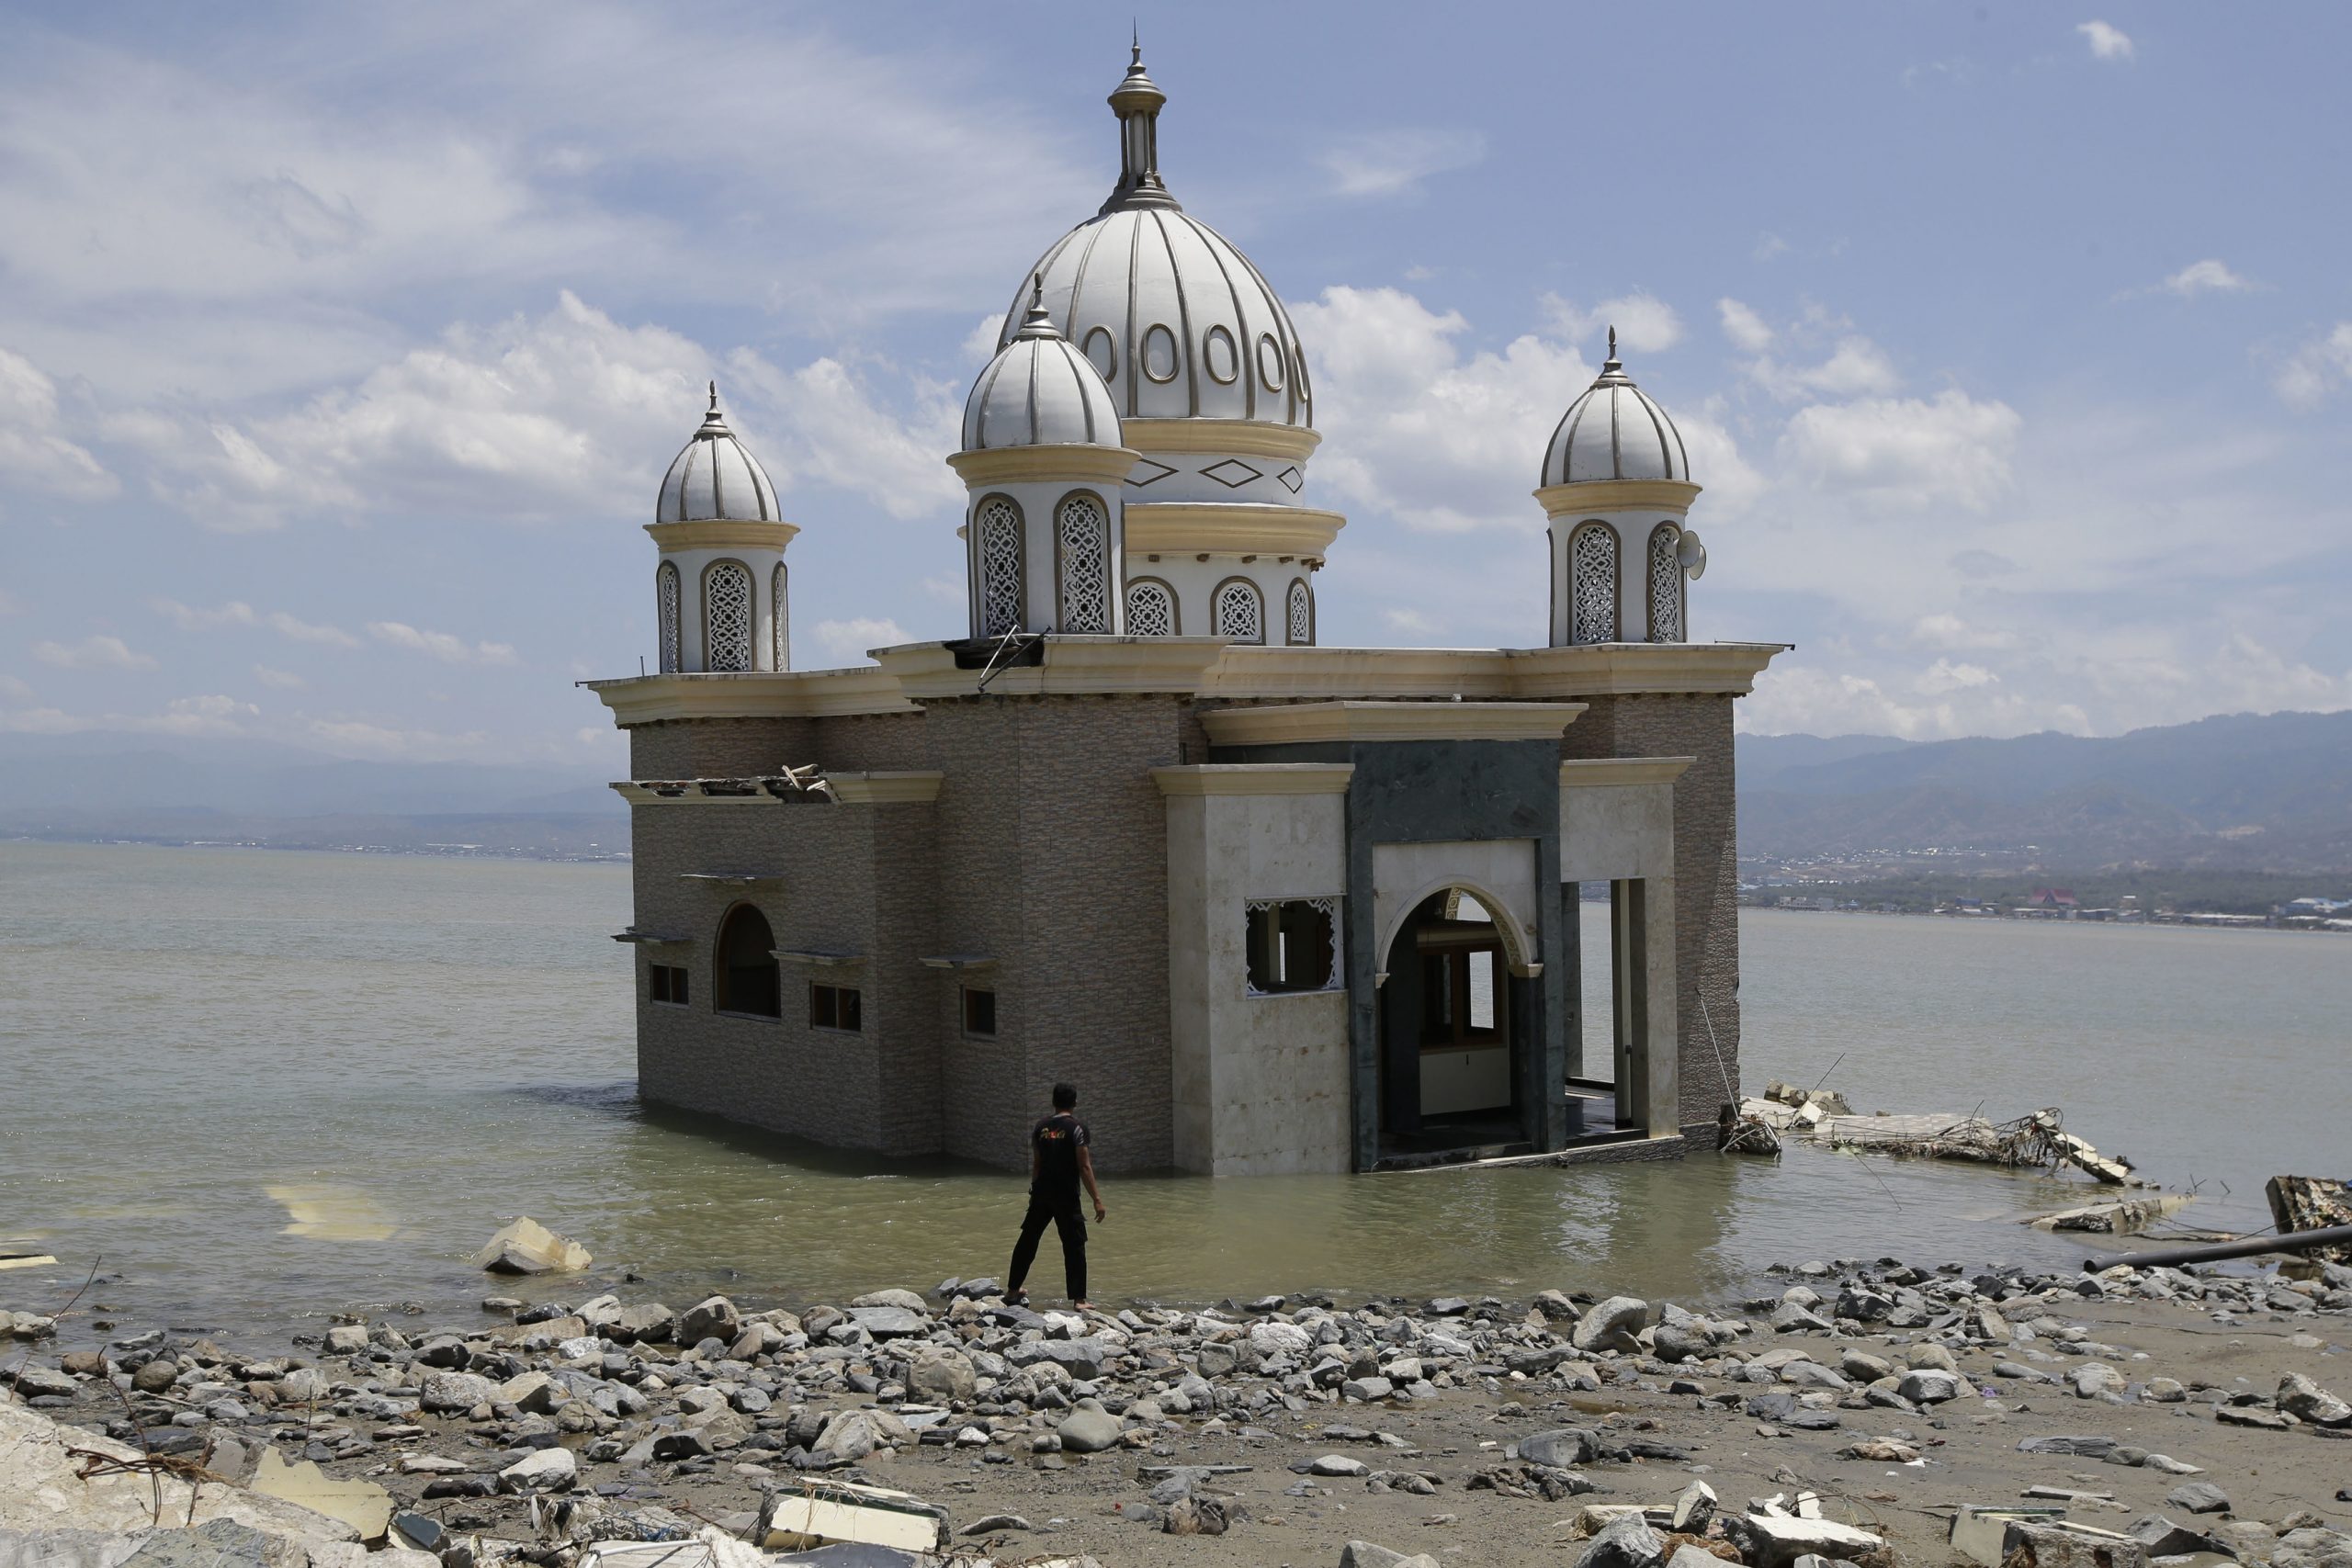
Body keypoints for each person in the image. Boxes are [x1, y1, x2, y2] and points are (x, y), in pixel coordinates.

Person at [1005, 1081, 1105, 1309]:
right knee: (1074, 1244)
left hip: (1041, 1193)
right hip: (1066, 1195)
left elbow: (1037, 1165)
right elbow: (1084, 1166)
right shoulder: (1077, 1129)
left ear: (1053, 1102)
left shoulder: (1040, 1127)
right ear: (1075, 1102)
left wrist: (1033, 1191)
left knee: (1028, 1240)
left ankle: (1012, 1291)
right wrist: (1097, 1200)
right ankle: (1079, 1300)